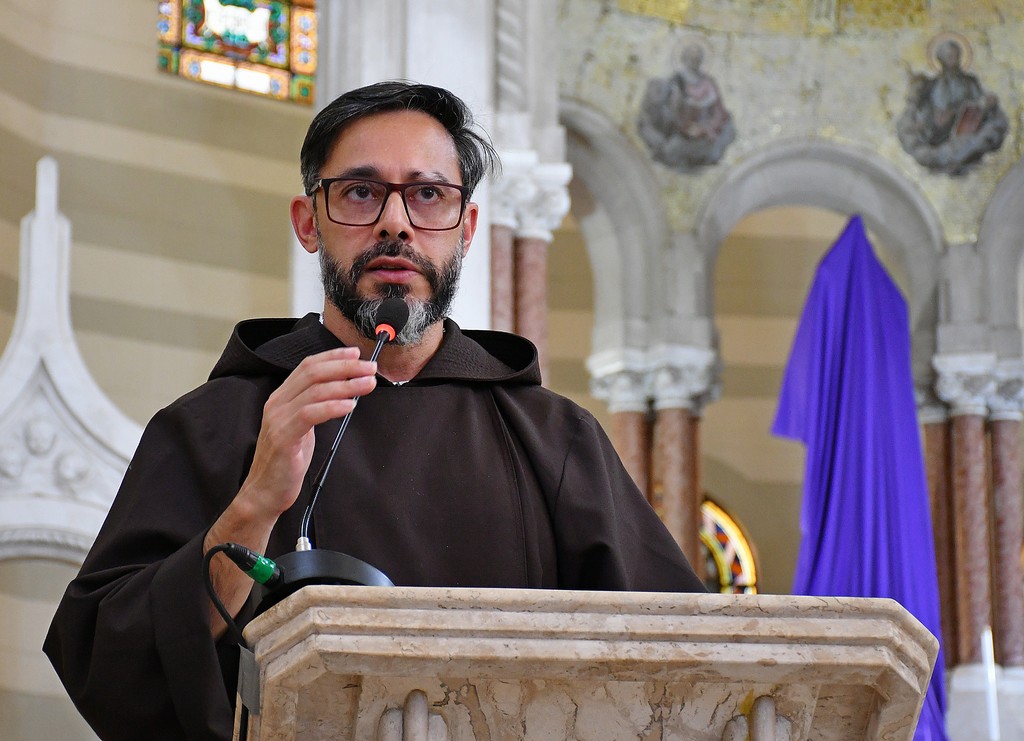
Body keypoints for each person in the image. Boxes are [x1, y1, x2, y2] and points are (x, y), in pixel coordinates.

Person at [44, 81, 706, 740]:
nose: (396, 222)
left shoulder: (556, 439)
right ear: (309, 222)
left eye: (428, 195)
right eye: (361, 192)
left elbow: (689, 664)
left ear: (466, 229)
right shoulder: (214, 424)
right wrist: (253, 507)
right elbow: (105, 662)